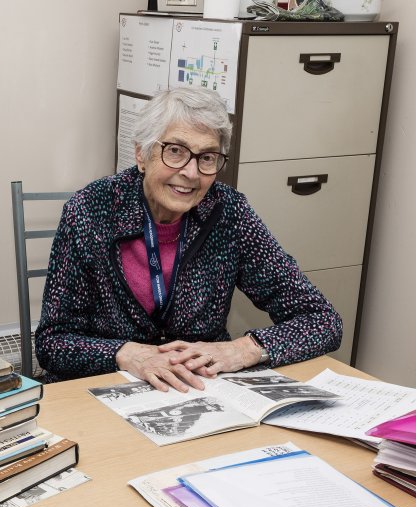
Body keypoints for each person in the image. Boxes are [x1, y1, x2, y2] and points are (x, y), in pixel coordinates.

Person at [35, 87, 341, 392]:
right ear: (142, 153)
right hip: (102, 391)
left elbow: (323, 321)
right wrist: (126, 354)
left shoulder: (228, 213)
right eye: (175, 151)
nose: (191, 173)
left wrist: (241, 350)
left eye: (207, 157)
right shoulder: (92, 210)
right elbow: (52, 342)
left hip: (200, 393)